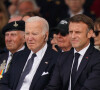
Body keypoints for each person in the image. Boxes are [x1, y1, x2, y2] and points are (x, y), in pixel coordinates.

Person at [0, 16, 59, 90]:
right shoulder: (18, 56)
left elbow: (52, 87)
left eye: (34, 34)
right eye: (27, 34)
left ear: (46, 36)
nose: (30, 38)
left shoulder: (56, 58)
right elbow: (3, 83)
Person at [45, 14, 100, 90]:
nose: (73, 36)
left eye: (78, 32)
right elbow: (53, 87)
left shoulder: (97, 58)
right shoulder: (63, 57)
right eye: (71, 32)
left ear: (89, 33)